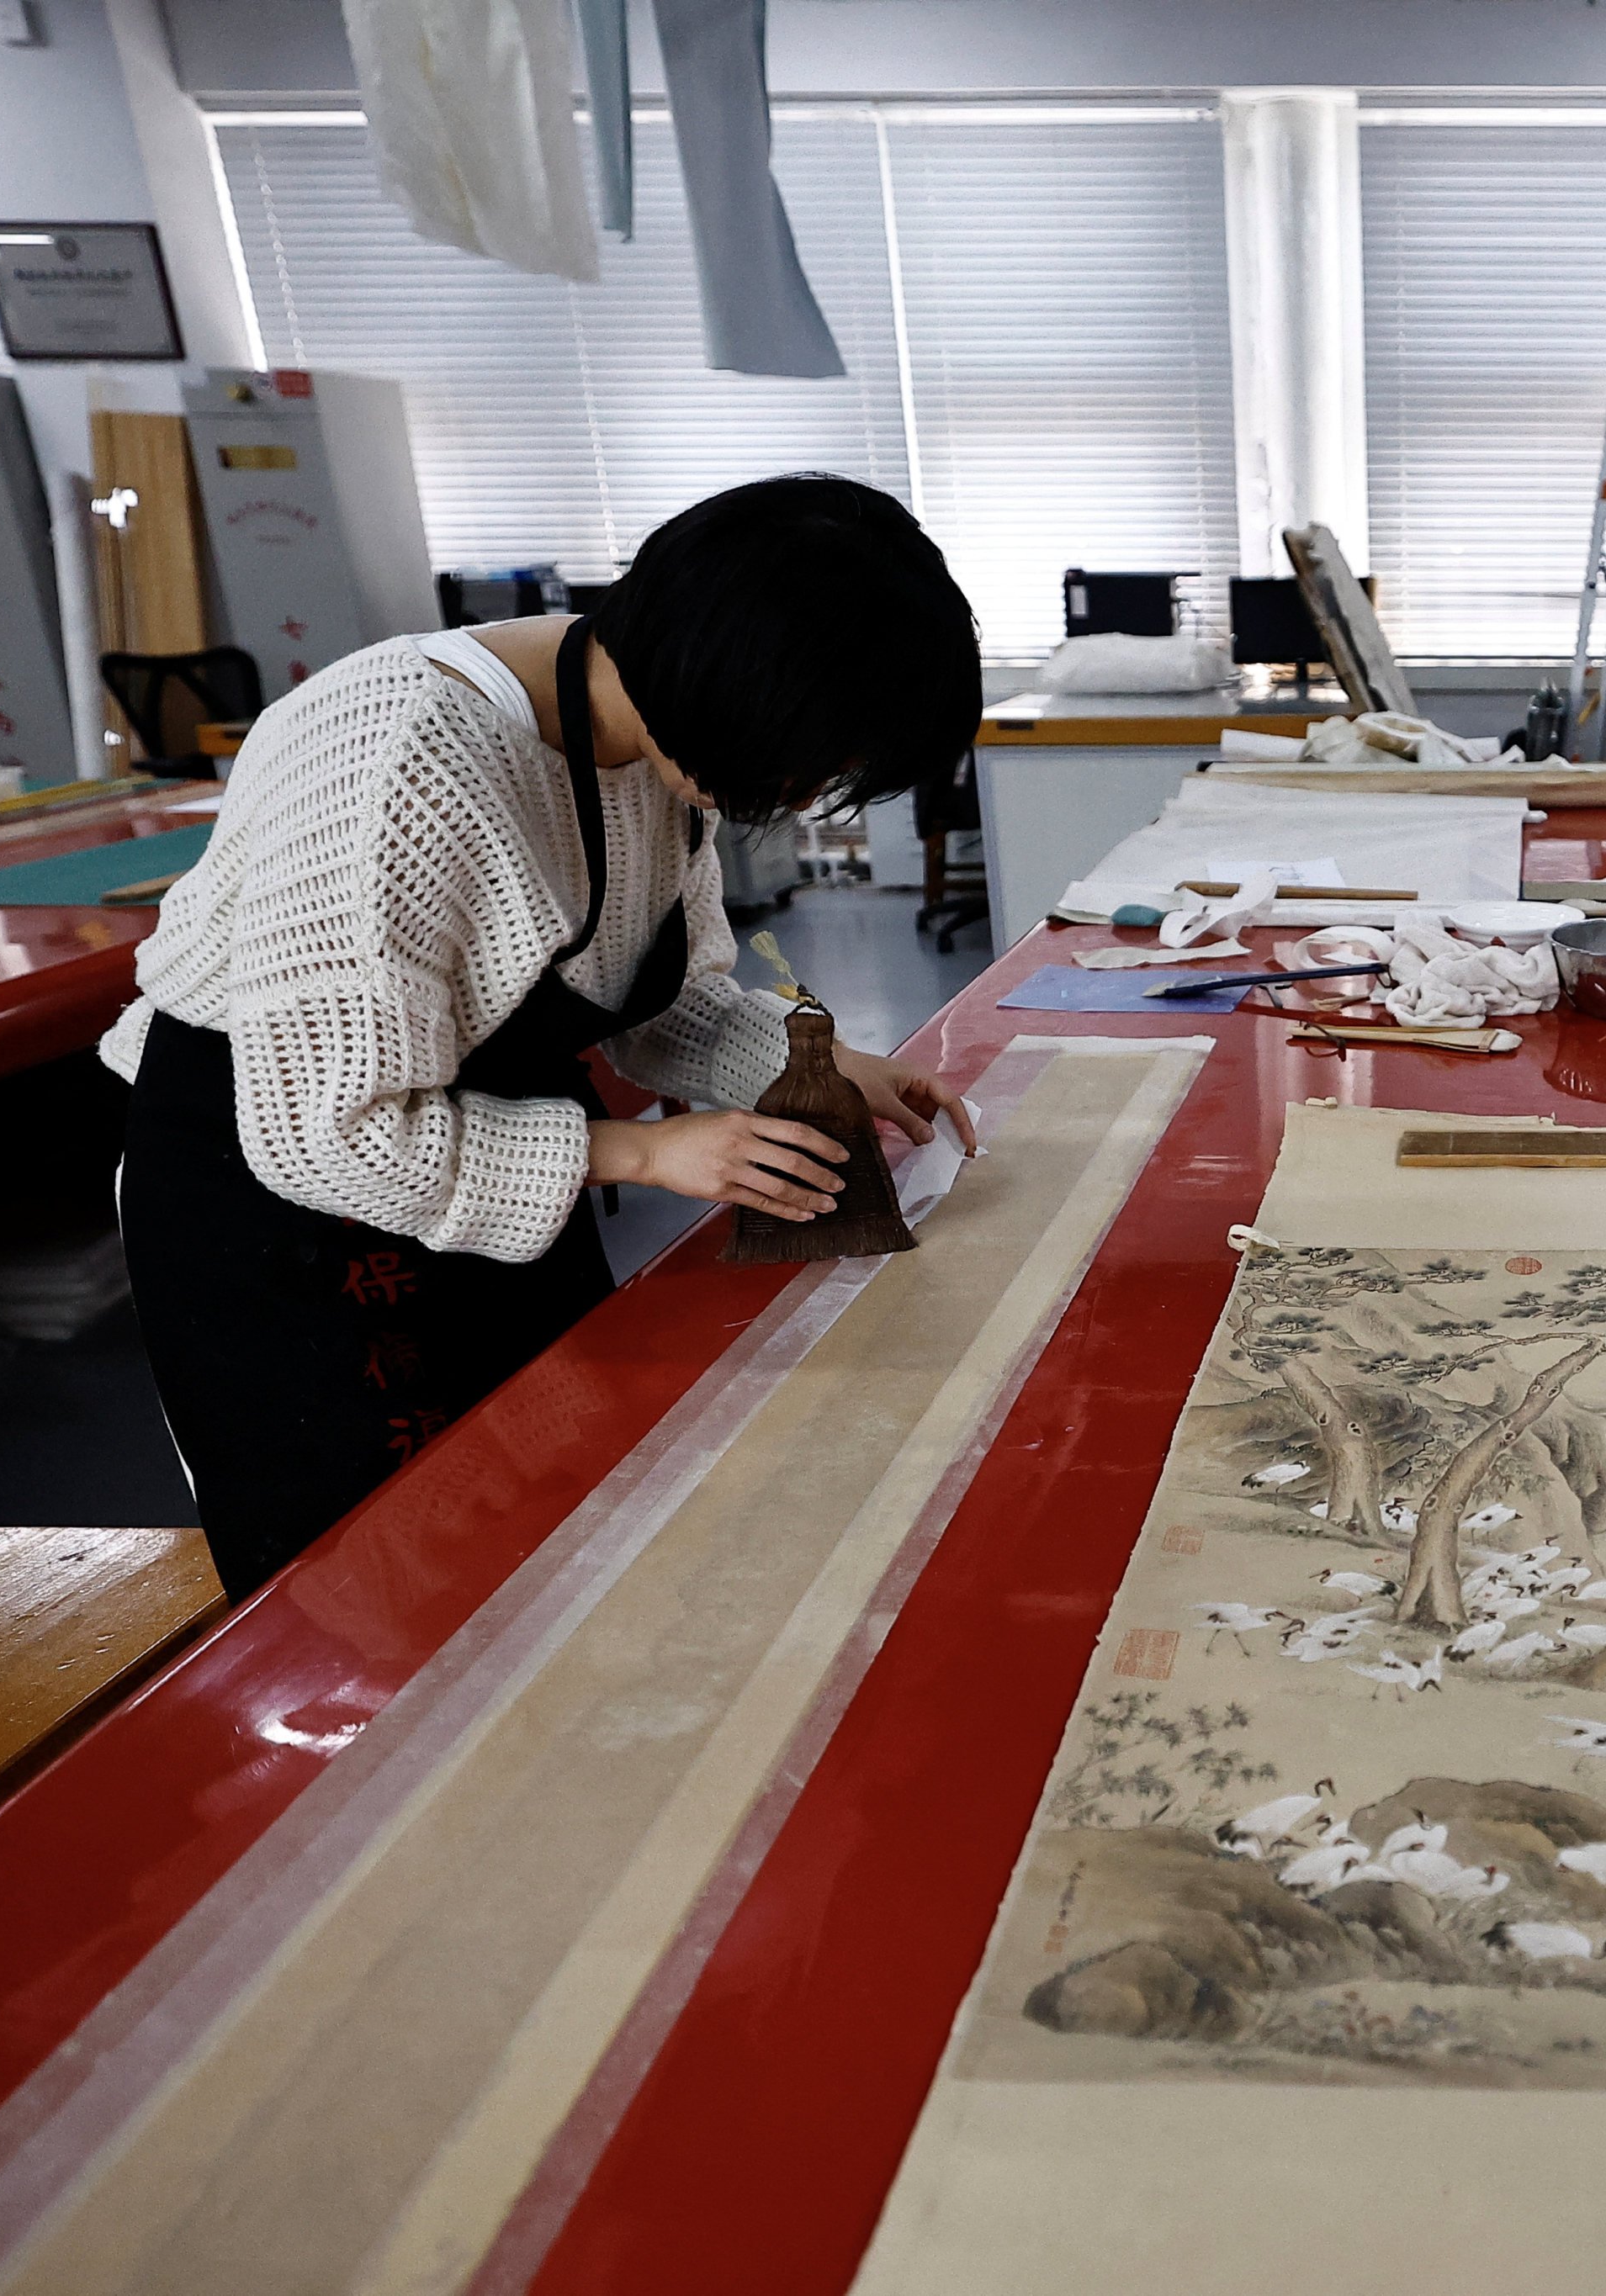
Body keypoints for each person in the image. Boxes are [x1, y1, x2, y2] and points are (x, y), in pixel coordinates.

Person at [103, 473, 983, 1597]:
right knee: (379, 1597)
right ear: (718, 678)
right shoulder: (396, 757)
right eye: (804, 764)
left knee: (567, 1526)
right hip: (293, 1221)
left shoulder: (657, 747)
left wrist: (817, 1066)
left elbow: (665, 998)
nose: (807, 797)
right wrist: (644, 1155)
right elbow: (329, 1128)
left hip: (493, 1169)